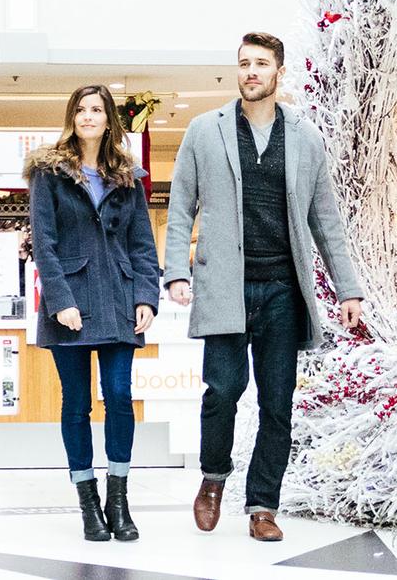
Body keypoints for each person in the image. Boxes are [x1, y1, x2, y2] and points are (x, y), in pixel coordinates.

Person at [164, 32, 365, 542]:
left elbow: (327, 220)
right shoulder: (204, 131)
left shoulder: (305, 137)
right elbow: (181, 206)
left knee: (278, 402)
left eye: (261, 64)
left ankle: (262, 505)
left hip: (282, 290)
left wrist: (349, 289)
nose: (251, 72)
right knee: (223, 391)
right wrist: (176, 273)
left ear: (279, 72)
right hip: (225, 285)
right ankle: (213, 477)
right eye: (243, 64)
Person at [27, 84, 161, 543]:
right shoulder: (50, 173)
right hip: (71, 303)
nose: (88, 117)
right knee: (77, 403)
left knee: (120, 397)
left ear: (109, 120)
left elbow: (143, 244)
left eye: (96, 110)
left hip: (120, 301)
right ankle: (88, 502)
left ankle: (118, 499)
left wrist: (147, 296)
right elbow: (43, 243)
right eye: (81, 110)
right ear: (72, 117)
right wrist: (60, 301)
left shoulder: (127, 175)